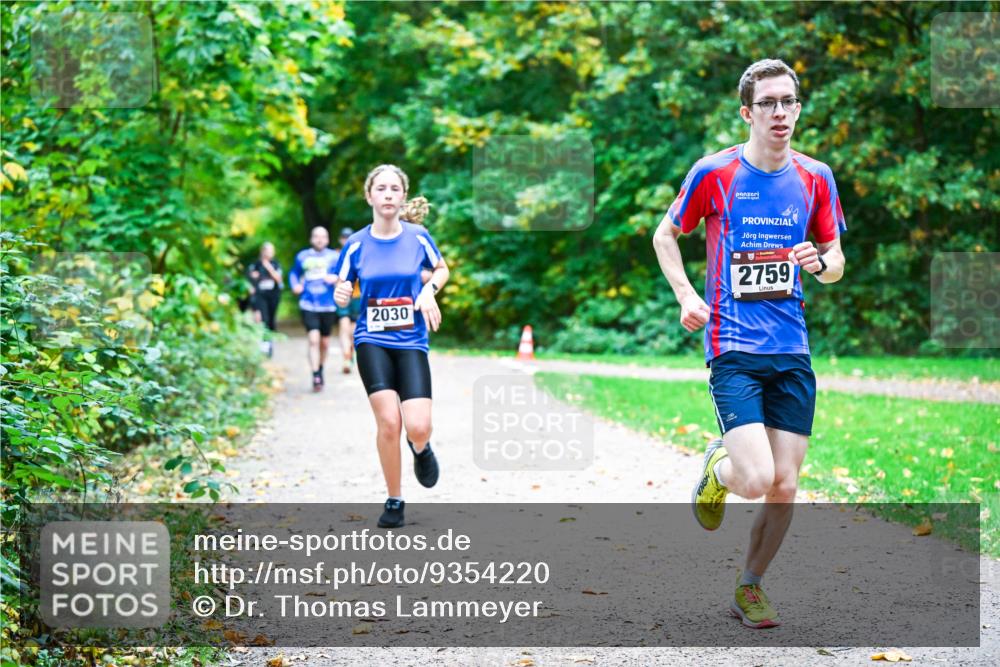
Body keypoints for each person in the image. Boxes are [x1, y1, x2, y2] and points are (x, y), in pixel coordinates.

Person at [652, 59, 846, 629]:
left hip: (792, 350)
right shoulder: (715, 172)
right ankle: (720, 467)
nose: (779, 113)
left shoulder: (816, 176)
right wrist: (687, 295)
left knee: (785, 485)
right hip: (733, 346)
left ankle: (750, 585)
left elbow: (836, 259)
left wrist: (820, 263)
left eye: (788, 102)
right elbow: (665, 235)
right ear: (747, 112)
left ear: (798, 109)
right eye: (768, 103)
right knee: (756, 479)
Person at [332, 164, 449, 529]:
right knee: (388, 422)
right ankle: (394, 499)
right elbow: (342, 287)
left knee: (418, 426)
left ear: (402, 197)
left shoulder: (418, 237)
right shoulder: (356, 244)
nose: (387, 194)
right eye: (380, 188)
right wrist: (340, 294)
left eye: (394, 189)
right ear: (369, 196)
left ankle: (420, 447)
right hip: (372, 340)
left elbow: (441, 269)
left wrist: (428, 291)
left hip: (411, 340)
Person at [288, 227, 339, 391]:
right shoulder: (302, 256)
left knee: (325, 343)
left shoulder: (334, 257)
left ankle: (320, 368)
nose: (319, 239)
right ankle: (315, 374)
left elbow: (344, 275)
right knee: (313, 339)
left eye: (323, 236)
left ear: (327, 239)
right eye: (316, 236)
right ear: (311, 239)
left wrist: (335, 278)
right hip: (308, 303)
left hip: (328, 305)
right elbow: (293, 273)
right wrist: (295, 285)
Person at [247, 242, 283, 357]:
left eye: (271, 250)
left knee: (271, 320)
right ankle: (264, 345)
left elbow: (279, 279)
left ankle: (269, 344)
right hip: (260, 296)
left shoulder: (276, 264)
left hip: (273, 295)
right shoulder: (255, 265)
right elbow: (250, 281)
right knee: (264, 319)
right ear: (262, 251)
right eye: (267, 250)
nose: (269, 253)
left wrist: (268, 266)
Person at [335, 227, 362, 374]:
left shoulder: (359, 253)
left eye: (348, 237)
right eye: (344, 237)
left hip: (357, 296)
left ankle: (350, 354)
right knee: (343, 326)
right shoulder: (335, 255)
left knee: (352, 331)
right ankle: (346, 357)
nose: (346, 240)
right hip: (343, 296)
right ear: (340, 239)